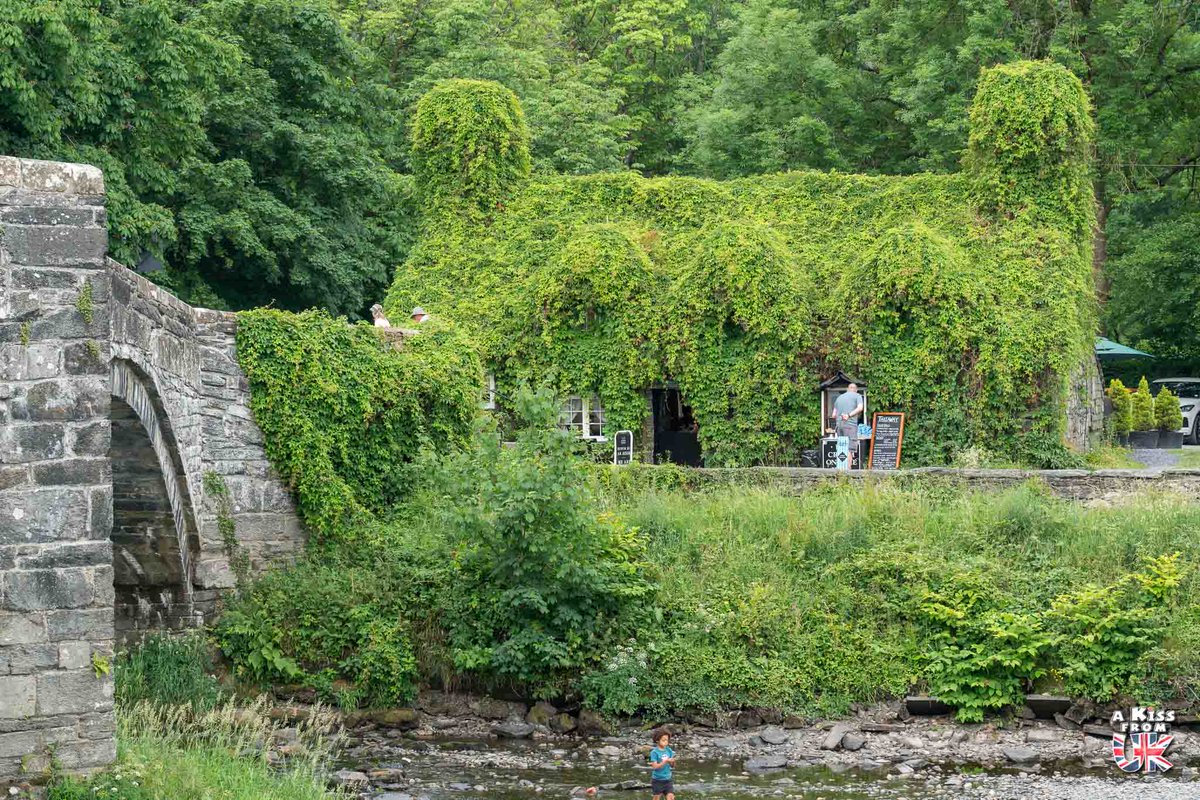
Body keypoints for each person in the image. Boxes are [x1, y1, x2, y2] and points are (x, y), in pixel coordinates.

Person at [649, 730, 676, 800]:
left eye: (667, 740)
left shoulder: (669, 750)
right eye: (664, 740)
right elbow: (655, 767)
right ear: (657, 740)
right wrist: (665, 761)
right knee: (656, 798)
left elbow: (672, 766)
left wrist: (673, 762)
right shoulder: (654, 752)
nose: (666, 742)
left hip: (668, 779)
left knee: (671, 797)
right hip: (657, 780)